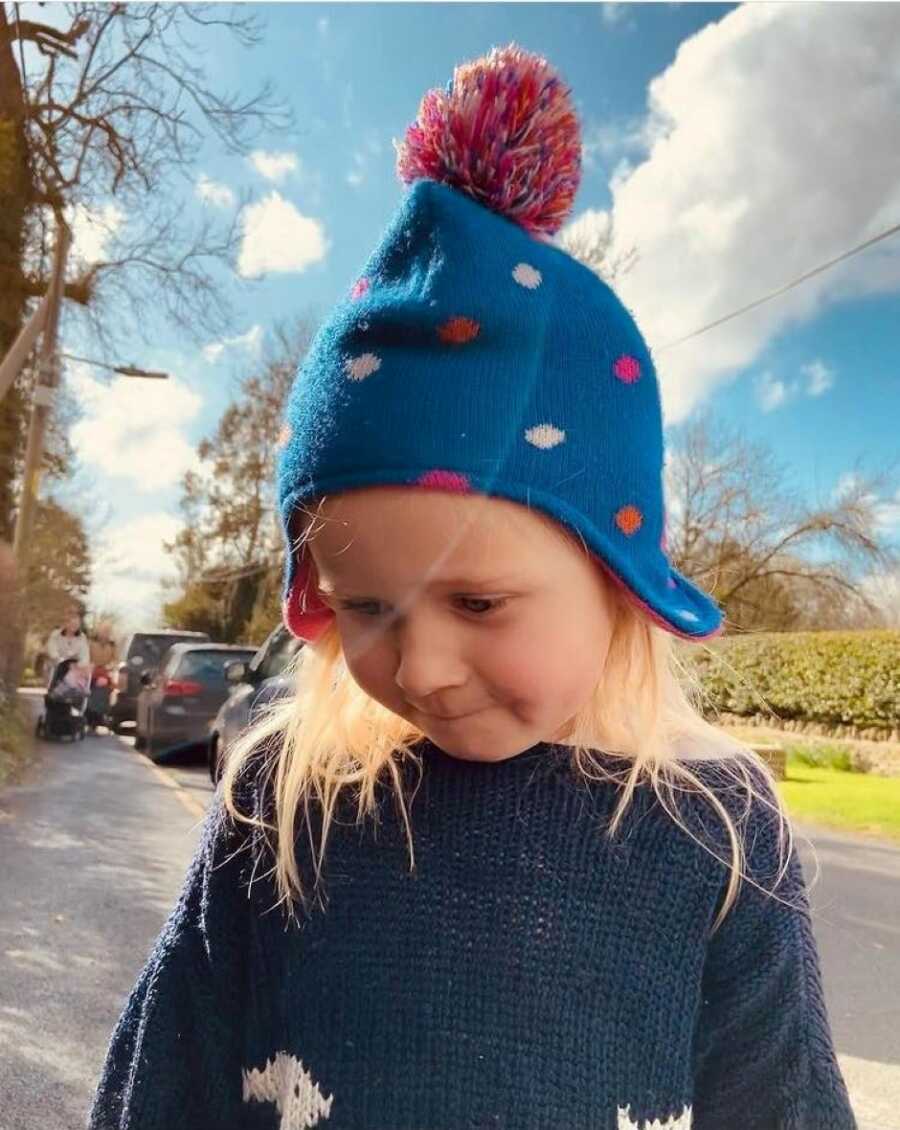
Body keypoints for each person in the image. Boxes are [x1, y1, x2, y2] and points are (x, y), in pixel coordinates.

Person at [88, 46, 856, 1130]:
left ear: (616, 578)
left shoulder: (715, 838)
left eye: (479, 602)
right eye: (366, 606)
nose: (424, 666)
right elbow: (157, 1094)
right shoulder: (282, 809)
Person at [46, 604, 91, 676]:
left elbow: (85, 656)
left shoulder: (82, 637)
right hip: (57, 666)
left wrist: (78, 665)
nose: (74, 626)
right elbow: (52, 651)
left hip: (75, 669)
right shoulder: (56, 635)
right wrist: (61, 662)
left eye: (76, 624)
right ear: (66, 623)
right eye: (72, 623)